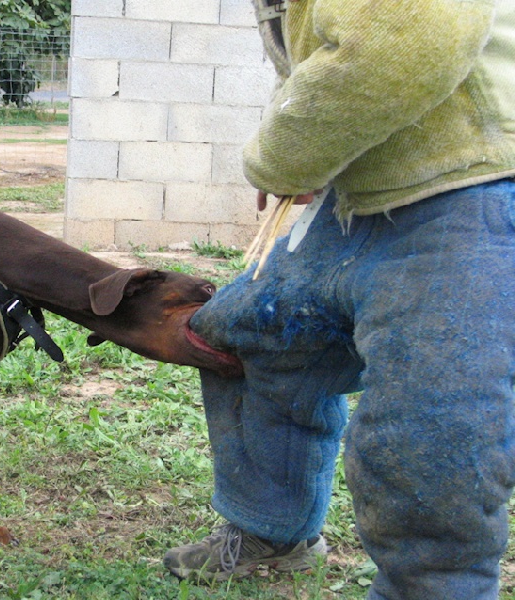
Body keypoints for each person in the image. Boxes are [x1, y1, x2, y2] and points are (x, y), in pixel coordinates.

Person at [162, 1, 515, 598]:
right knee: (245, 335)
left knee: (431, 428)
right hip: (361, 201)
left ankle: (432, 587)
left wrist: (283, 158)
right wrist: (316, 160)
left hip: (475, 187)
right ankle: (275, 531)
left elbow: (413, 35)